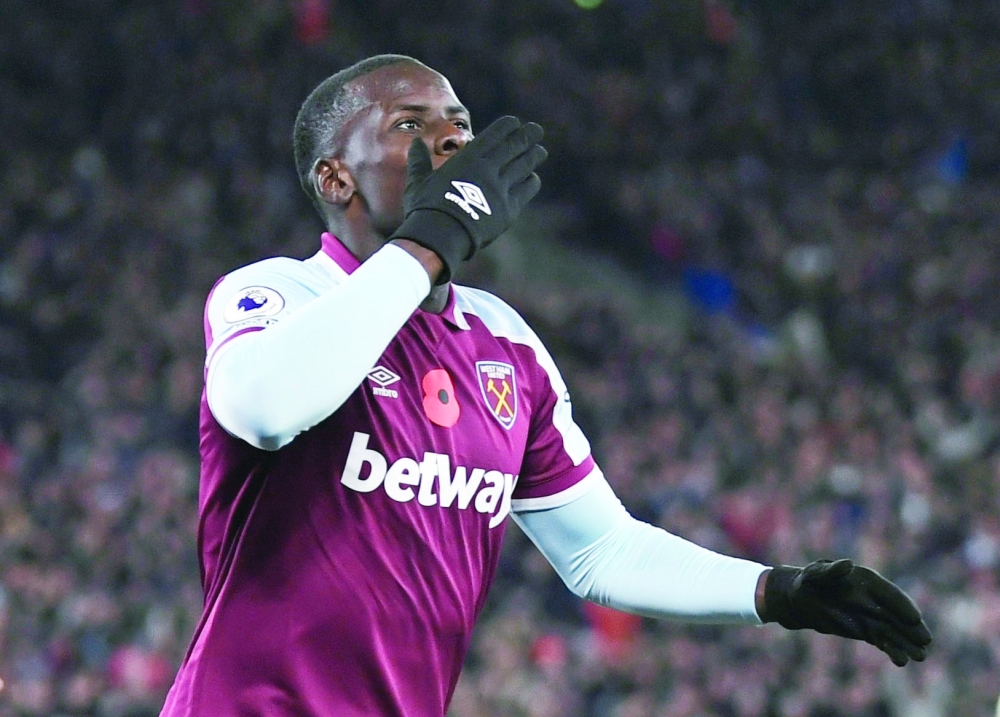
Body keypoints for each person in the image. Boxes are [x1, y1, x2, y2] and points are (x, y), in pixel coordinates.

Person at [158, 54, 931, 717]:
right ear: (335, 177)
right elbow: (263, 410)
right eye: (409, 124)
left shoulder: (504, 342)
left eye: (459, 121)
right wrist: (431, 243)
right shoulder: (282, 294)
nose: (453, 138)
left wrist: (775, 590)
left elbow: (599, 549)